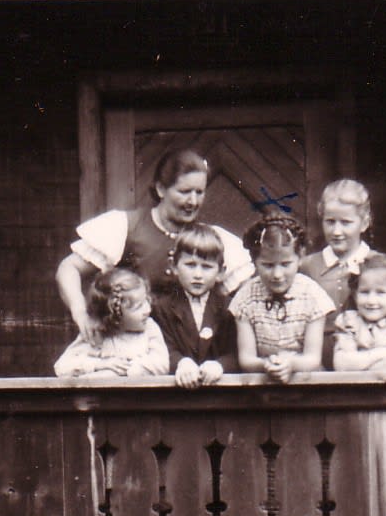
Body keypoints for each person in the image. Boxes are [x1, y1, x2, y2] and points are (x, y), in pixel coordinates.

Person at [56, 148, 253, 341]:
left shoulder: (210, 239)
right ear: (161, 189)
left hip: (189, 349)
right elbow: (68, 268)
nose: (193, 201)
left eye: (199, 192)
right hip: (131, 342)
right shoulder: (126, 227)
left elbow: (249, 292)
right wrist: (80, 312)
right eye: (184, 191)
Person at [230, 214, 335, 384]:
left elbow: (312, 358)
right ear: (255, 261)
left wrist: (290, 364)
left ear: (300, 257)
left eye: (286, 264)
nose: (277, 274)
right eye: (268, 265)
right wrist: (268, 365)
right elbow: (247, 359)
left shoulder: (313, 296)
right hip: (261, 382)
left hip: (306, 381)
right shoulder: (245, 298)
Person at [299, 179, 384, 368]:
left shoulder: (380, 265)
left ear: (364, 223)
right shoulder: (306, 267)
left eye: (346, 223)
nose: (336, 231)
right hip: (315, 366)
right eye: (330, 222)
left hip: (366, 363)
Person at [151, 223, 239, 389]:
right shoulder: (161, 308)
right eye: (190, 265)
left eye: (207, 267)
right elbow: (160, 346)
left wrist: (220, 365)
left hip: (220, 393)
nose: (198, 274)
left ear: (221, 272)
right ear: (174, 266)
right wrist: (181, 363)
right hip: (175, 392)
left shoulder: (230, 308)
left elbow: (235, 351)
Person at [53, 267, 170, 379]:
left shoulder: (150, 329)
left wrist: (124, 372)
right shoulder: (96, 333)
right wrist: (98, 365)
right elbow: (62, 367)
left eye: (146, 301)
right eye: (138, 307)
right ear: (115, 315)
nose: (148, 309)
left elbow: (161, 364)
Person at [331, 253, 386, 371]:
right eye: (365, 292)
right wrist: (382, 353)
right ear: (355, 294)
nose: (371, 301)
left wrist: (360, 366)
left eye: (380, 292)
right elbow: (342, 365)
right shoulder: (348, 321)